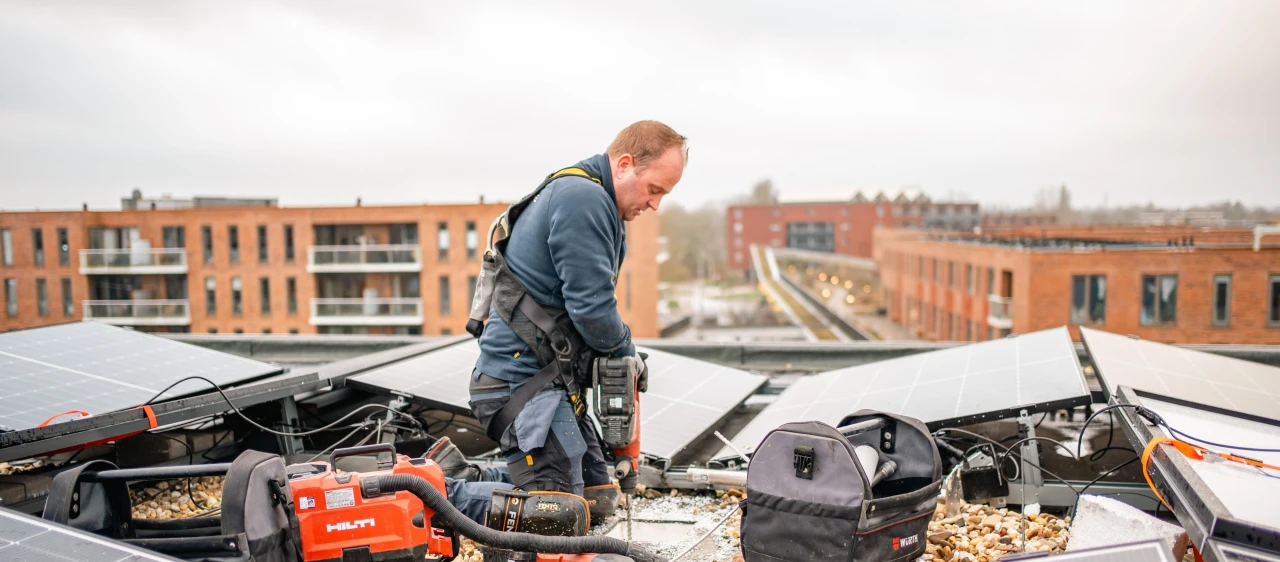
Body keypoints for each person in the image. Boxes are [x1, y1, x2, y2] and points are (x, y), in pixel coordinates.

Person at [467, 121, 687, 510]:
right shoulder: (582, 198)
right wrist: (625, 353)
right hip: (520, 385)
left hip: (549, 386)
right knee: (556, 511)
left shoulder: (593, 199)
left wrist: (622, 357)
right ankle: (433, 493)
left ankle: (471, 478)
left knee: (597, 501)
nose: (655, 204)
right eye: (654, 189)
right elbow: (592, 308)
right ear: (623, 165)